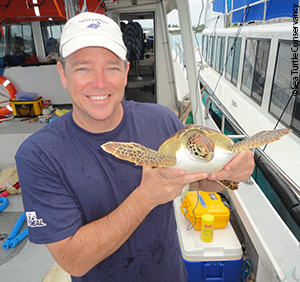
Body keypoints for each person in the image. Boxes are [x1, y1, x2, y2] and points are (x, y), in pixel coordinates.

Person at [15, 12, 254, 282]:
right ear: (62, 73)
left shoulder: (161, 119)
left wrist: (230, 173)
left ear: (126, 72)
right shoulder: (38, 154)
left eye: (112, 67)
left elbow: (199, 182)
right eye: (83, 68)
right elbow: (74, 261)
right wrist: (146, 197)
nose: (100, 82)